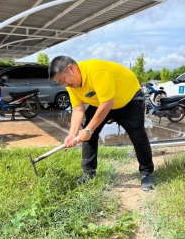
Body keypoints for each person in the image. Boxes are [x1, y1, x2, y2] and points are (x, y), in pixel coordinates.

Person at [49, 56, 154, 191]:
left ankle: (146, 173)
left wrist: (88, 130)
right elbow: (77, 109)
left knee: (137, 135)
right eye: (60, 83)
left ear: (71, 68)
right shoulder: (71, 85)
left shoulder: (96, 70)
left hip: (128, 99)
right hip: (102, 101)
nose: (64, 85)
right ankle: (88, 173)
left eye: (63, 80)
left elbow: (107, 104)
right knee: (88, 133)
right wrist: (72, 134)